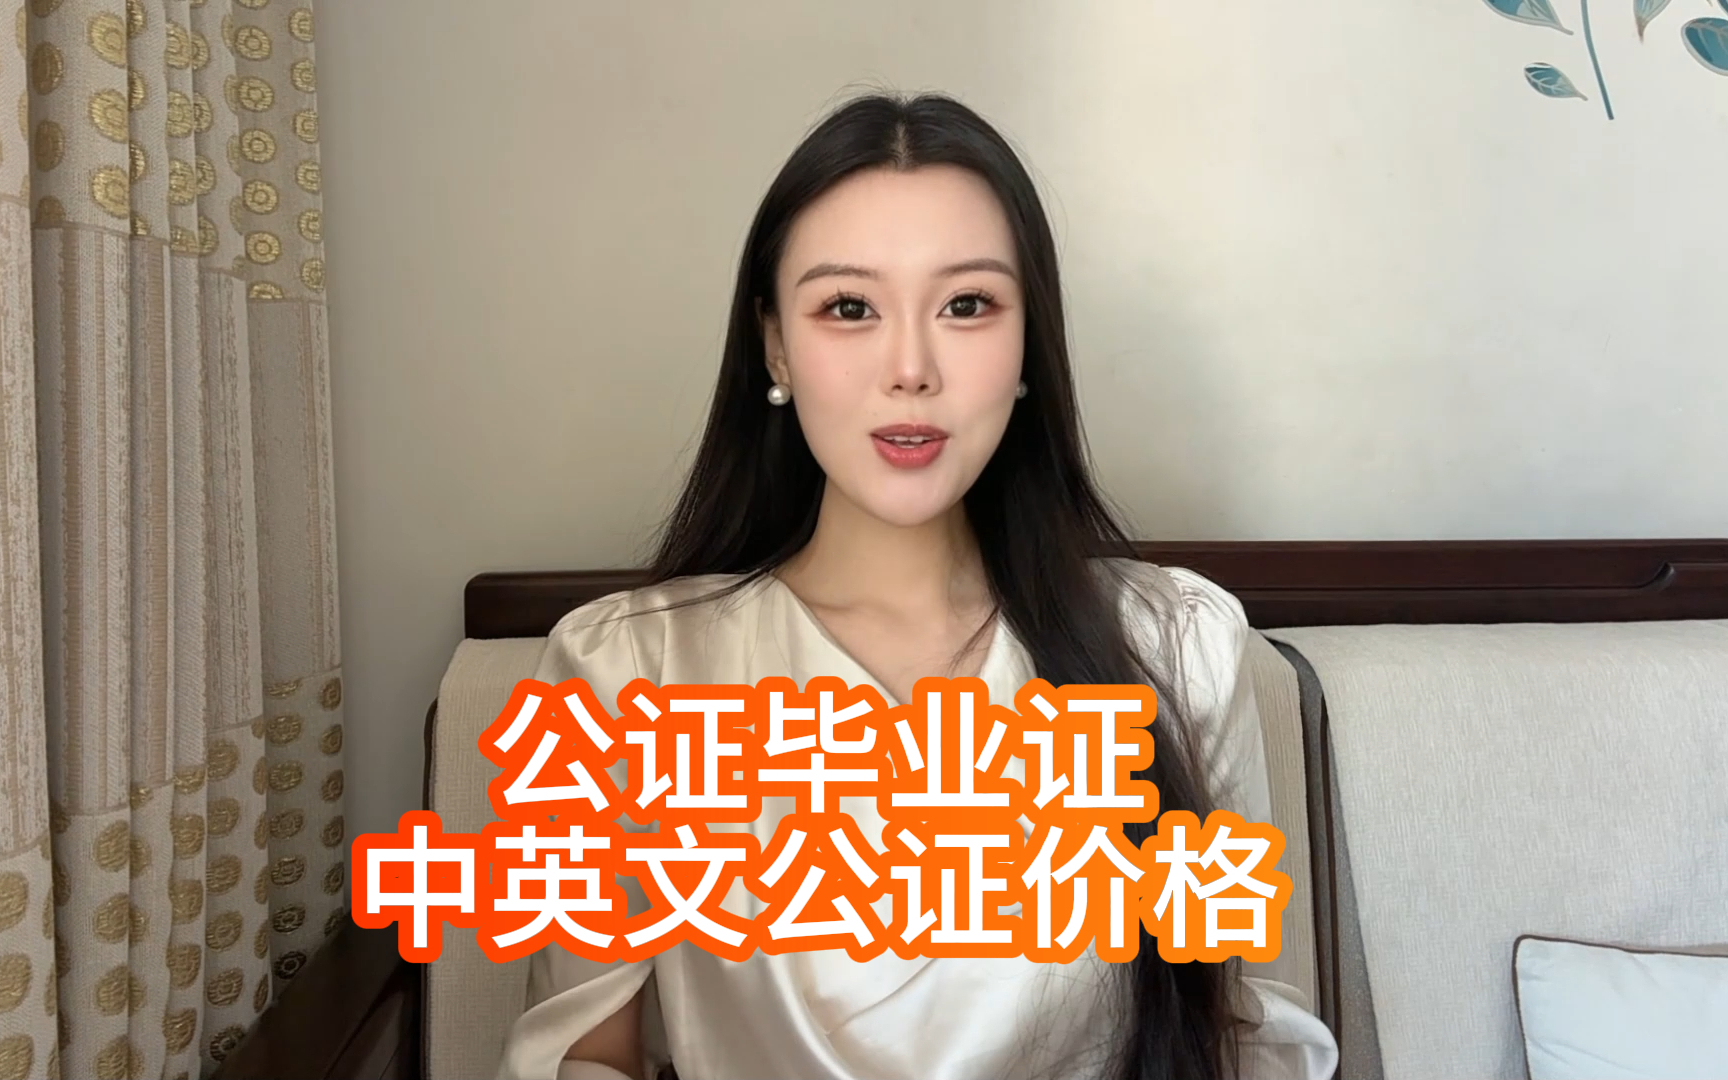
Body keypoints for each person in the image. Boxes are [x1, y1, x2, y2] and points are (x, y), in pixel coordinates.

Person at [497, 91, 1338, 1080]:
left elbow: (1237, 1036)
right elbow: (590, 1060)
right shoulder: (625, 672)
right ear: (774, 343)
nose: (911, 369)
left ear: (1027, 345)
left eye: (967, 305)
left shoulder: (1175, 647)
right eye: (849, 308)